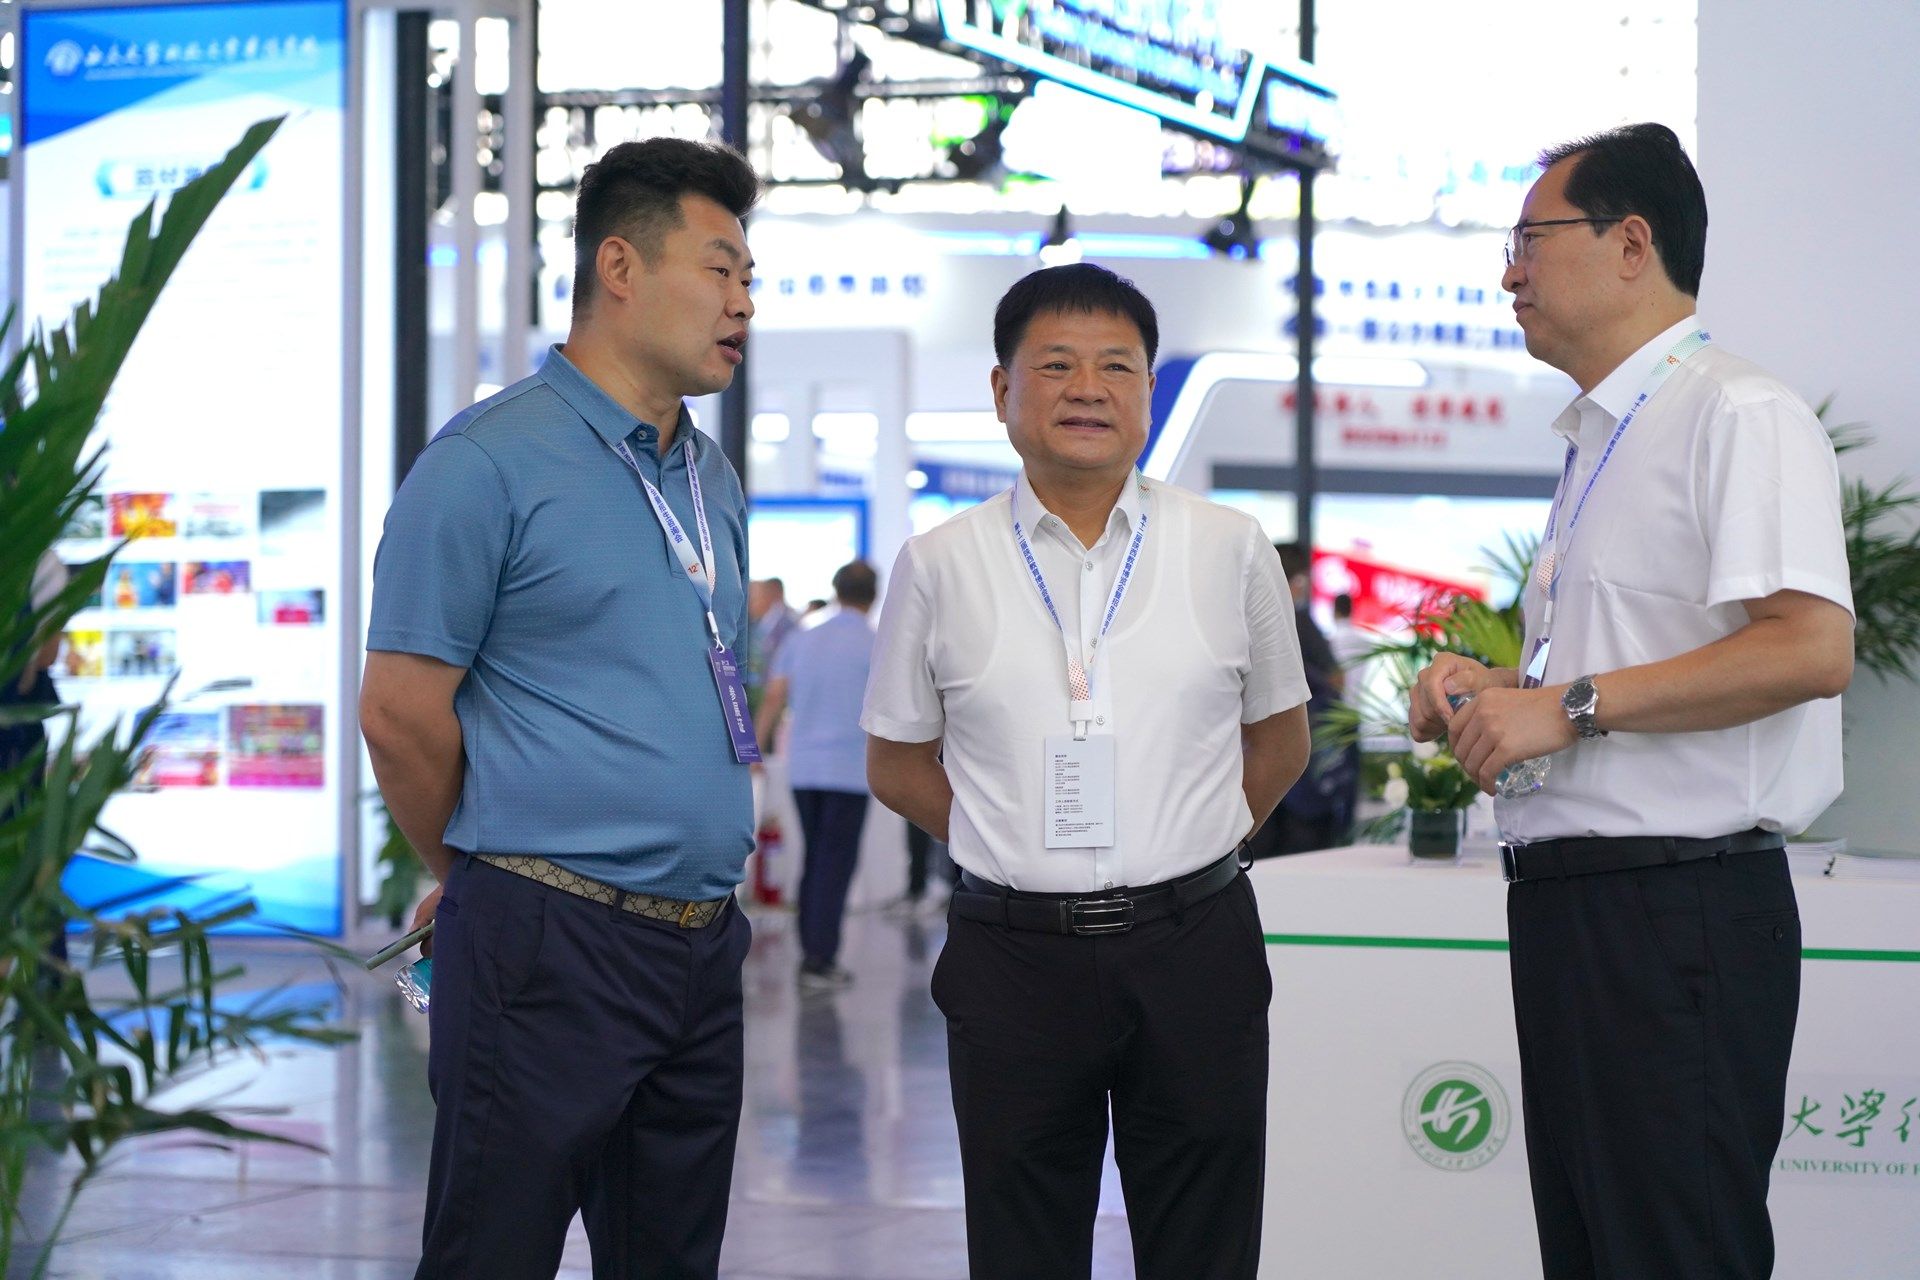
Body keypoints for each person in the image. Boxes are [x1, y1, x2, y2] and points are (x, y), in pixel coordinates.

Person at [1410, 123, 1853, 1280]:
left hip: (1677, 909)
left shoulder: (1736, 411)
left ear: (1631, 243)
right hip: (1579, 908)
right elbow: (1635, 666)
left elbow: (1811, 647)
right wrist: (1498, 693)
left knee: (1670, 1249)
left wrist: (1566, 706)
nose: (1509, 272)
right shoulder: (1606, 437)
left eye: (1530, 240)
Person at [361, 135, 763, 1280]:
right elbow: (400, 711)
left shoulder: (711, 478)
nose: (742, 302)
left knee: (670, 1257)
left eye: (750, 279)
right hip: (546, 943)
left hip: (700, 942)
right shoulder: (487, 461)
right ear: (619, 266)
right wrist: (489, 874)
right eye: (719, 269)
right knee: (494, 1250)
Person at [862, 263, 1311, 1280]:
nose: (1088, 389)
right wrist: (1006, 836)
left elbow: (1280, 742)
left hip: (1195, 946)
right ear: (1002, 390)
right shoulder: (940, 563)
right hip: (1013, 957)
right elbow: (896, 760)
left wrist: (1185, 837)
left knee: (1204, 1243)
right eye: (1056, 364)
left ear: (1149, 390)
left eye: (1117, 366)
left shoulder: (1230, 547)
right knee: (1021, 1245)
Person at [755, 559, 879, 989]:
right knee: (835, 863)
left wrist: (754, 747)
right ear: (873, 596)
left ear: (835, 589)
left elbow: (775, 695)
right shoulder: (876, 643)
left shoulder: (802, 636)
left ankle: (811, 950)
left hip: (804, 768)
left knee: (814, 857)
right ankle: (818, 959)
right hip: (850, 771)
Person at [1249, 542, 1354, 856]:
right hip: (1300, 764)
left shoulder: (1248, 621)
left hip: (1257, 761)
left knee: (1261, 854)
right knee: (1302, 853)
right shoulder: (1300, 623)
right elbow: (1336, 680)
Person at [745, 576, 798, 717]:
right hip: (757, 696)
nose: (749, 602)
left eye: (754, 597)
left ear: (769, 596)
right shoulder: (755, 623)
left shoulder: (789, 625)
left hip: (777, 700)